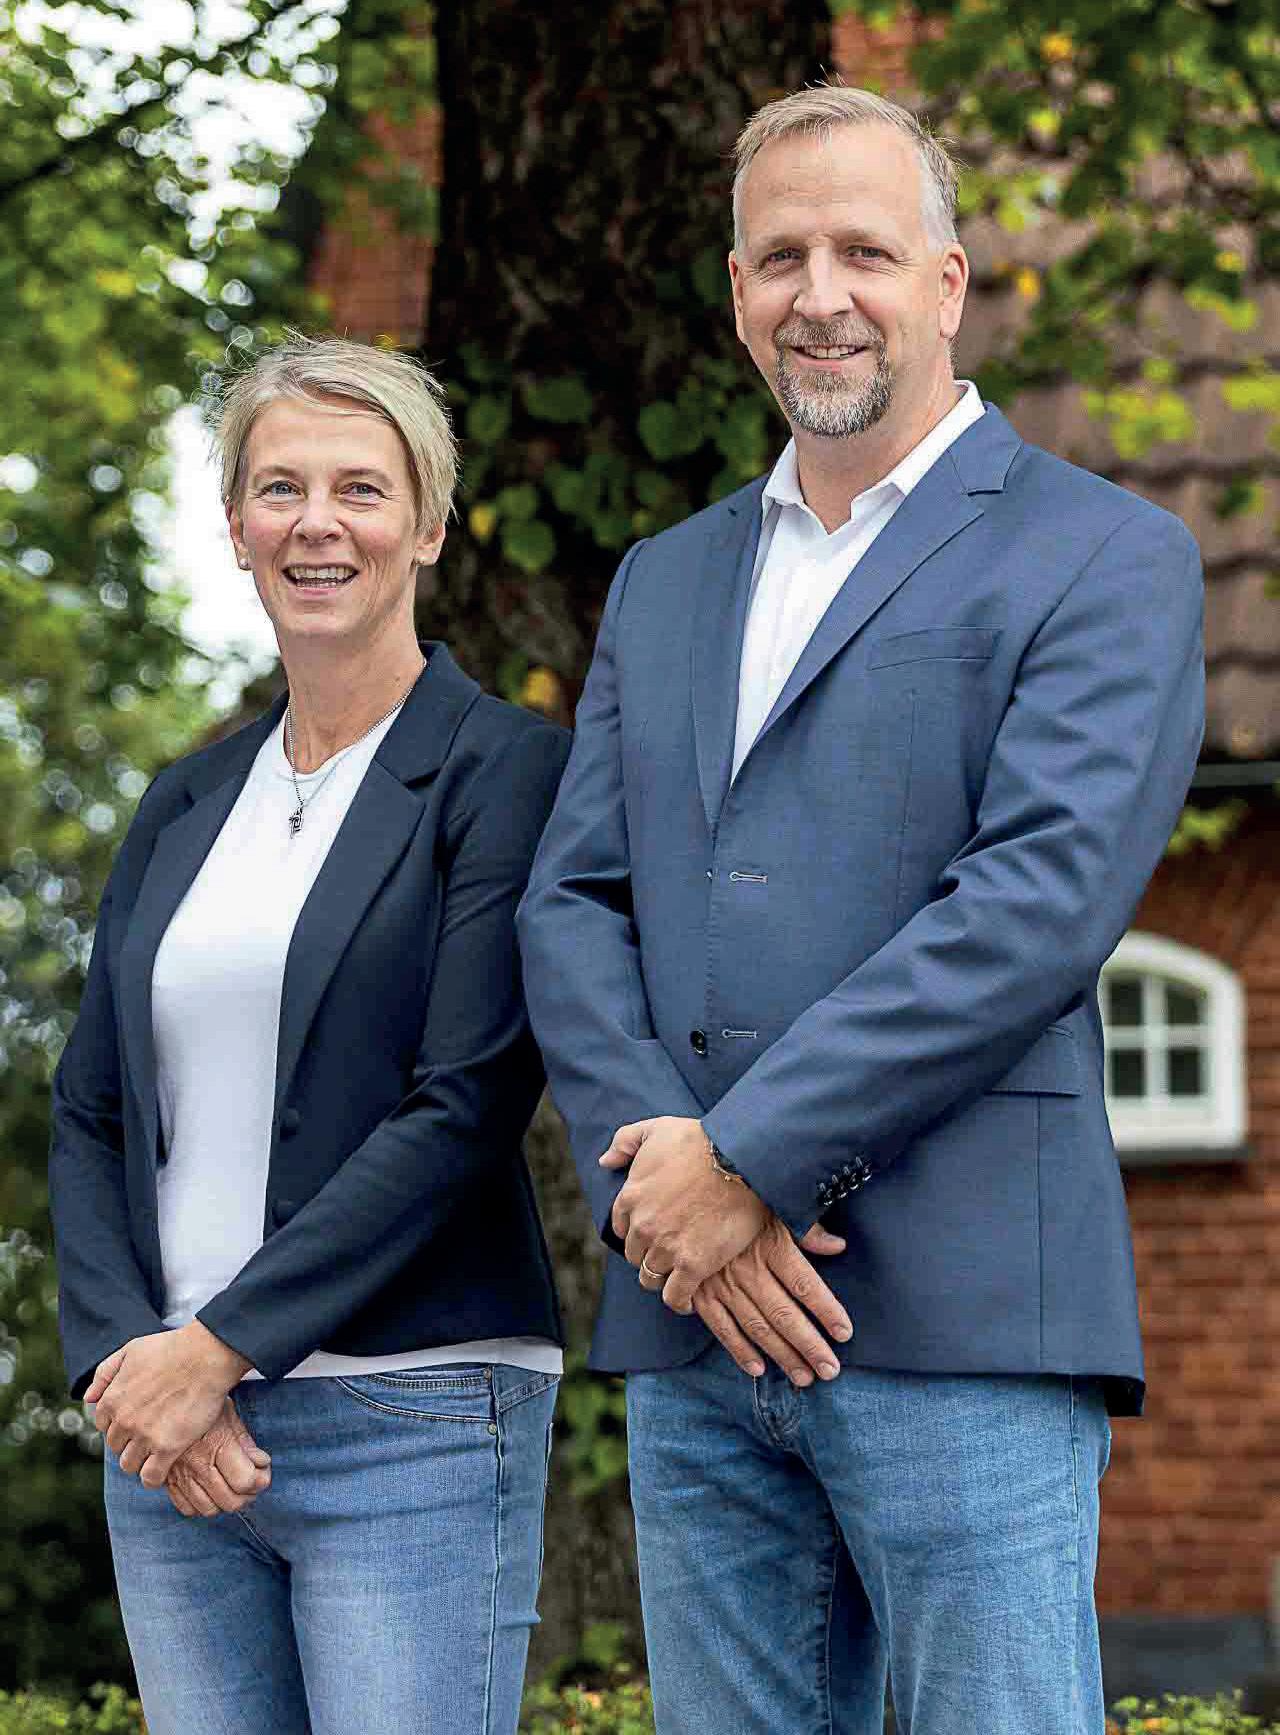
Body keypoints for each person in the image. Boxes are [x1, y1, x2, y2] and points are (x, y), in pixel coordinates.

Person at [517, 82, 1204, 1735]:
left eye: (864, 252)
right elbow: (574, 901)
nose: (819, 293)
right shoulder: (666, 578)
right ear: (735, 293)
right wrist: (664, 1191)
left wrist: (744, 1164)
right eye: (780, 257)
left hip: (963, 1323)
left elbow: (1033, 907)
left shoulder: (1105, 555)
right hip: (696, 1337)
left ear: (947, 284)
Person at [49, 335, 570, 1735]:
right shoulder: (184, 800)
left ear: (429, 527)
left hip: (411, 1416)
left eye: (360, 489)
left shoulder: (504, 771)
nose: (317, 523)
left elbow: (464, 1103)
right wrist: (129, 1362)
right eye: (280, 489)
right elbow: (92, 1107)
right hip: (169, 1436)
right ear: (236, 525)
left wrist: (218, 1348)